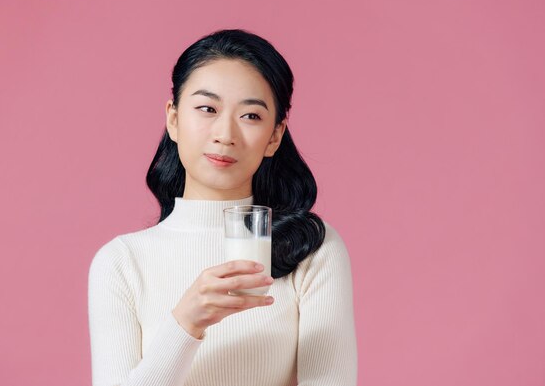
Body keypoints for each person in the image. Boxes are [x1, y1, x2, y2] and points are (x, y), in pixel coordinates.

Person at [88, 28, 358, 386]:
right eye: (206, 109)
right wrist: (186, 323)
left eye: (251, 116)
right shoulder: (121, 262)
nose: (225, 133)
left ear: (275, 136)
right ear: (173, 119)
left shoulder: (310, 249)